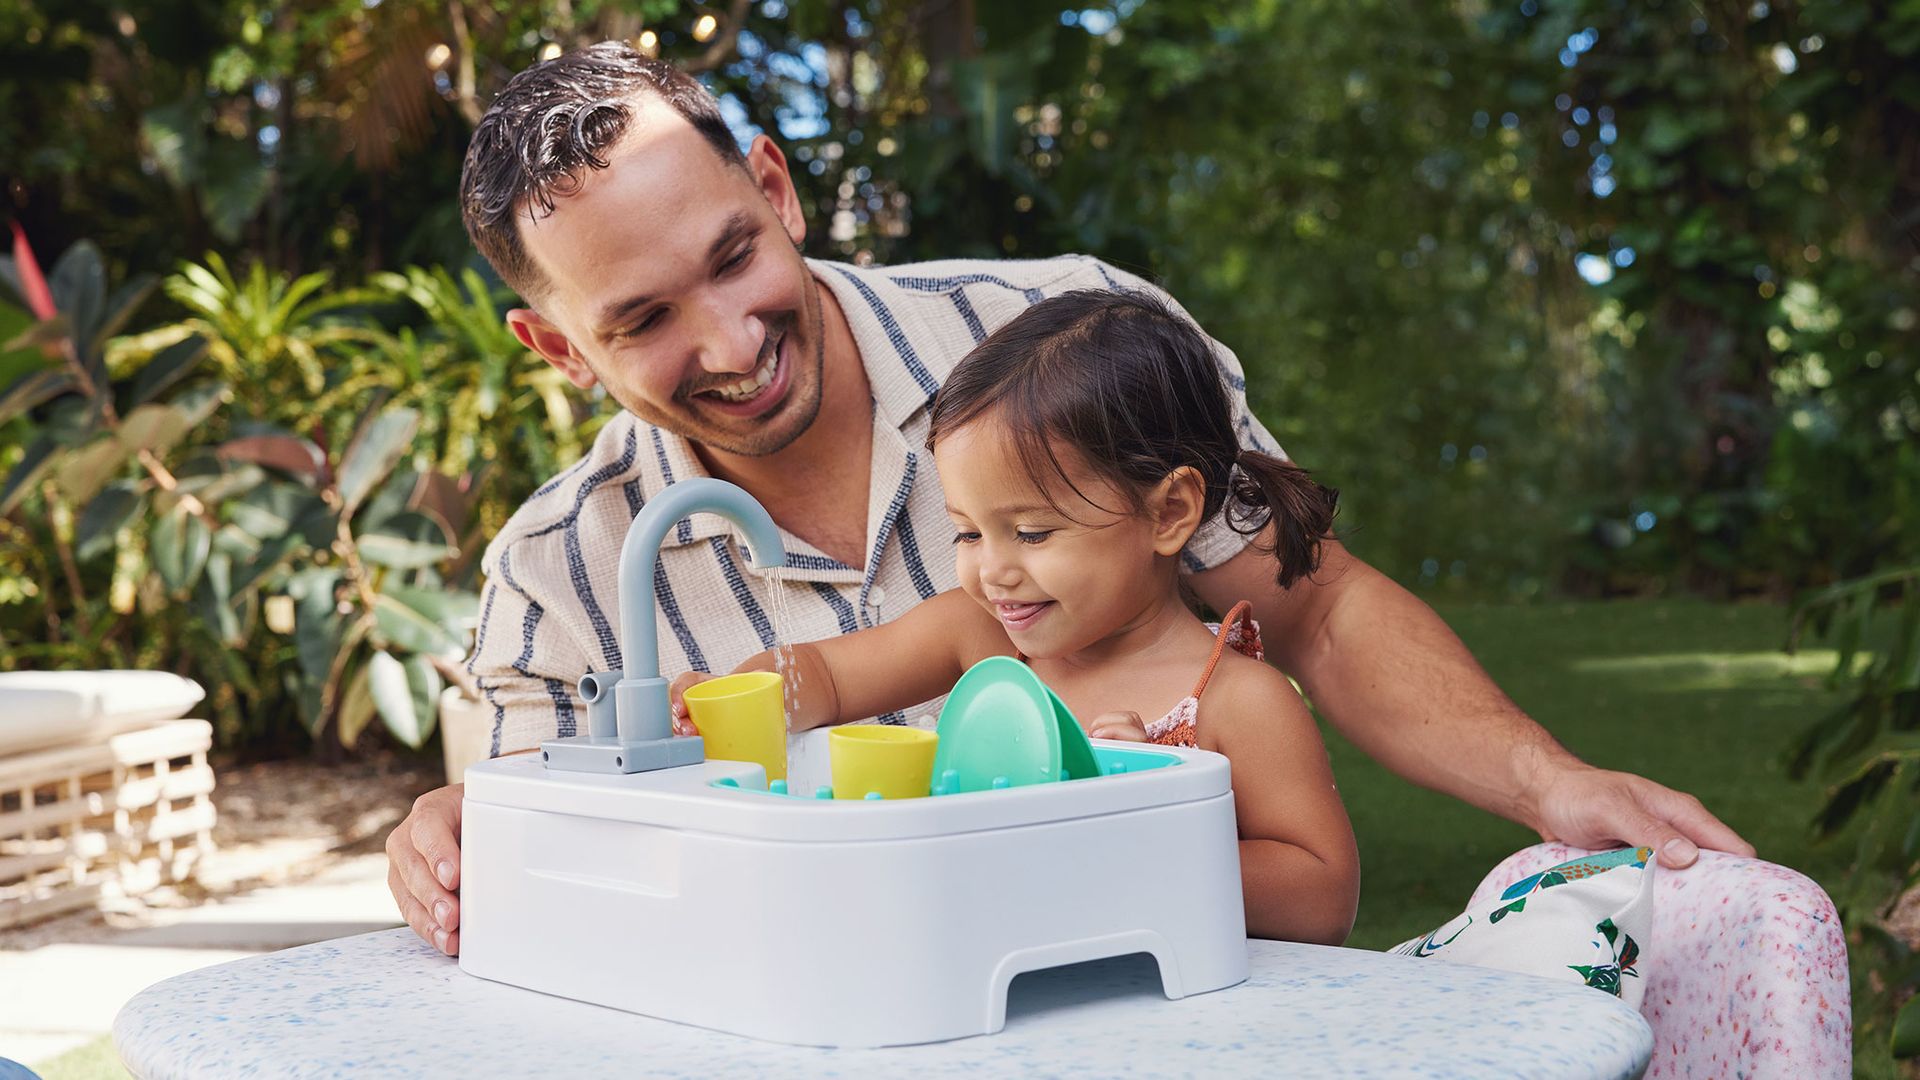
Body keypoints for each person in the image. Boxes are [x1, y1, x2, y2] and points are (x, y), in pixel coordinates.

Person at [386, 42, 1751, 959]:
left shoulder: (1060, 338)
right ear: (559, 351)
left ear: (776, 189)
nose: (734, 342)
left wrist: (1547, 781)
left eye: (734, 256)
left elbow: (1314, 604)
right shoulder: (566, 570)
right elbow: (546, 869)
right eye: (643, 320)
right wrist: (460, 841)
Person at [669, 289, 1360, 943]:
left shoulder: (1236, 701)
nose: (991, 571)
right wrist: (745, 695)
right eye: (968, 533)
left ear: (1168, 512)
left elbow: (1323, 898)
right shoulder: (980, 638)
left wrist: (1146, 830)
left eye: (1031, 533)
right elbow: (825, 676)